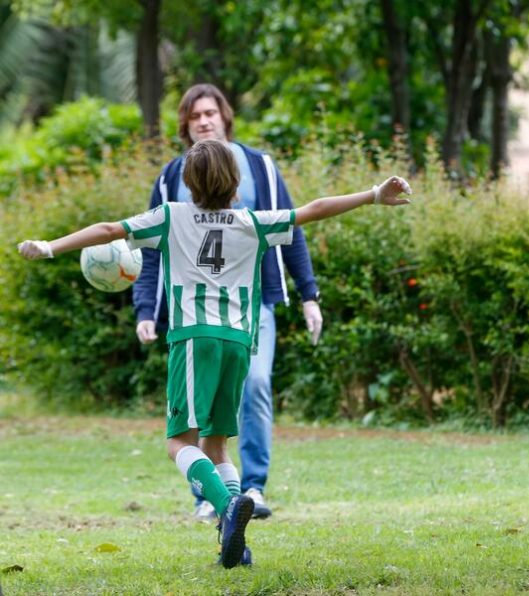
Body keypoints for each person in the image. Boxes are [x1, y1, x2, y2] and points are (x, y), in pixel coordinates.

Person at [18, 139, 412, 568]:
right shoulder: (252, 222)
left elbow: (110, 230)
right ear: (235, 181)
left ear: (188, 183)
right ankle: (235, 545)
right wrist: (373, 194)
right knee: (217, 446)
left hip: (194, 339)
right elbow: (313, 209)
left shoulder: (170, 216)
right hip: (239, 342)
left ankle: (226, 505)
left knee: (179, 442)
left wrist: (51, 246)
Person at [132, 83, 322, 522]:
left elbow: (293, 228)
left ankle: (252, 488)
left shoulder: (261, 167)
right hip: (194, 313)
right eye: (194, 116)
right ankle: (211, 497)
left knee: (255, 387)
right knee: (197, 417)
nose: (204, 121)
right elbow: (151, 249)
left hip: (251, 306)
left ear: (225, 118)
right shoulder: (171, 177)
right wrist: (146, 309)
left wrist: (308, 294)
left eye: (210, 113)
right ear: (185, 126)